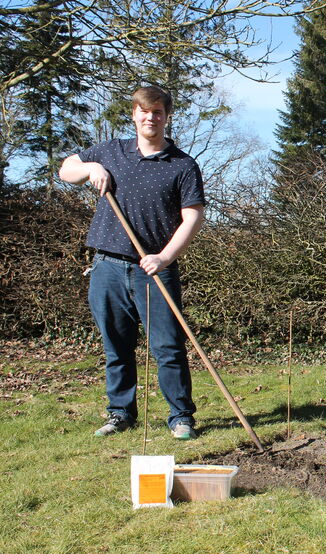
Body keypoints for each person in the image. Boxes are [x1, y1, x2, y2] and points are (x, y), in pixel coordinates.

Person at [59, 86, 205, 440]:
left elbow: (193, 217)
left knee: (167, 346)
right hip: (107, 265)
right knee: (116, 345)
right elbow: (67, 169)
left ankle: (180, 416)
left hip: (154, 268)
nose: (150, 117)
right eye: (144, 111)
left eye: (157, 112)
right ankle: (120, 413)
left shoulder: (182, 165)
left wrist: (165, 257)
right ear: (134, 115)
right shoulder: (111, 151)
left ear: (166, 116)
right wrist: (91, 167)